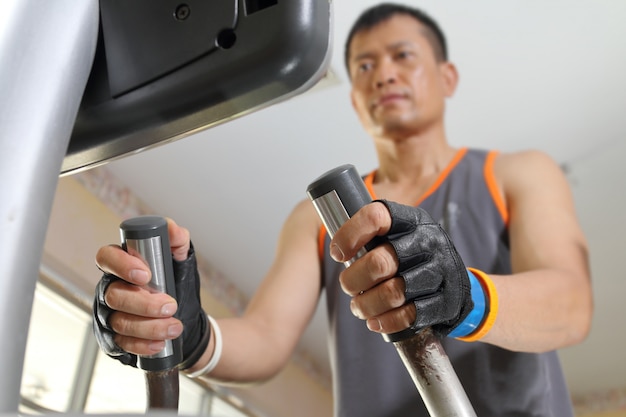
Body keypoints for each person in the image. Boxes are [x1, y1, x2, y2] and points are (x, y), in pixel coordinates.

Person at [93, 3, 593, 416]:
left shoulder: (517, 173)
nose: (384, 75)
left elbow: (569, 304)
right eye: (365, 67)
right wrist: (188, 332)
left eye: (403, 56)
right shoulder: (316, 219)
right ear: (355, 99)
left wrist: (466, 298)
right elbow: (266, 338)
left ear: (447, 78)